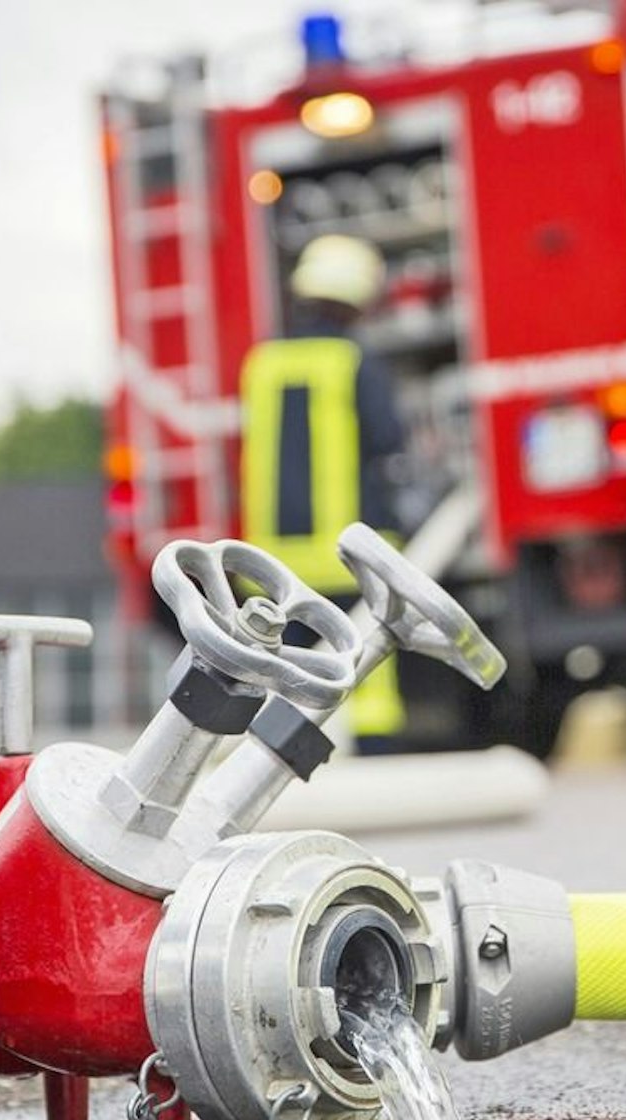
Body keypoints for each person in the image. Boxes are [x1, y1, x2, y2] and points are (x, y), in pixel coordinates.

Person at [239, 234, 408, 753]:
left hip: (275, 564)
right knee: (365, 673)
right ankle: (375, 761)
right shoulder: (351, 361)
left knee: (286, 677)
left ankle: (276, 770)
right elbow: (388, 438)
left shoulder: (262, 363)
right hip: (349, 555)